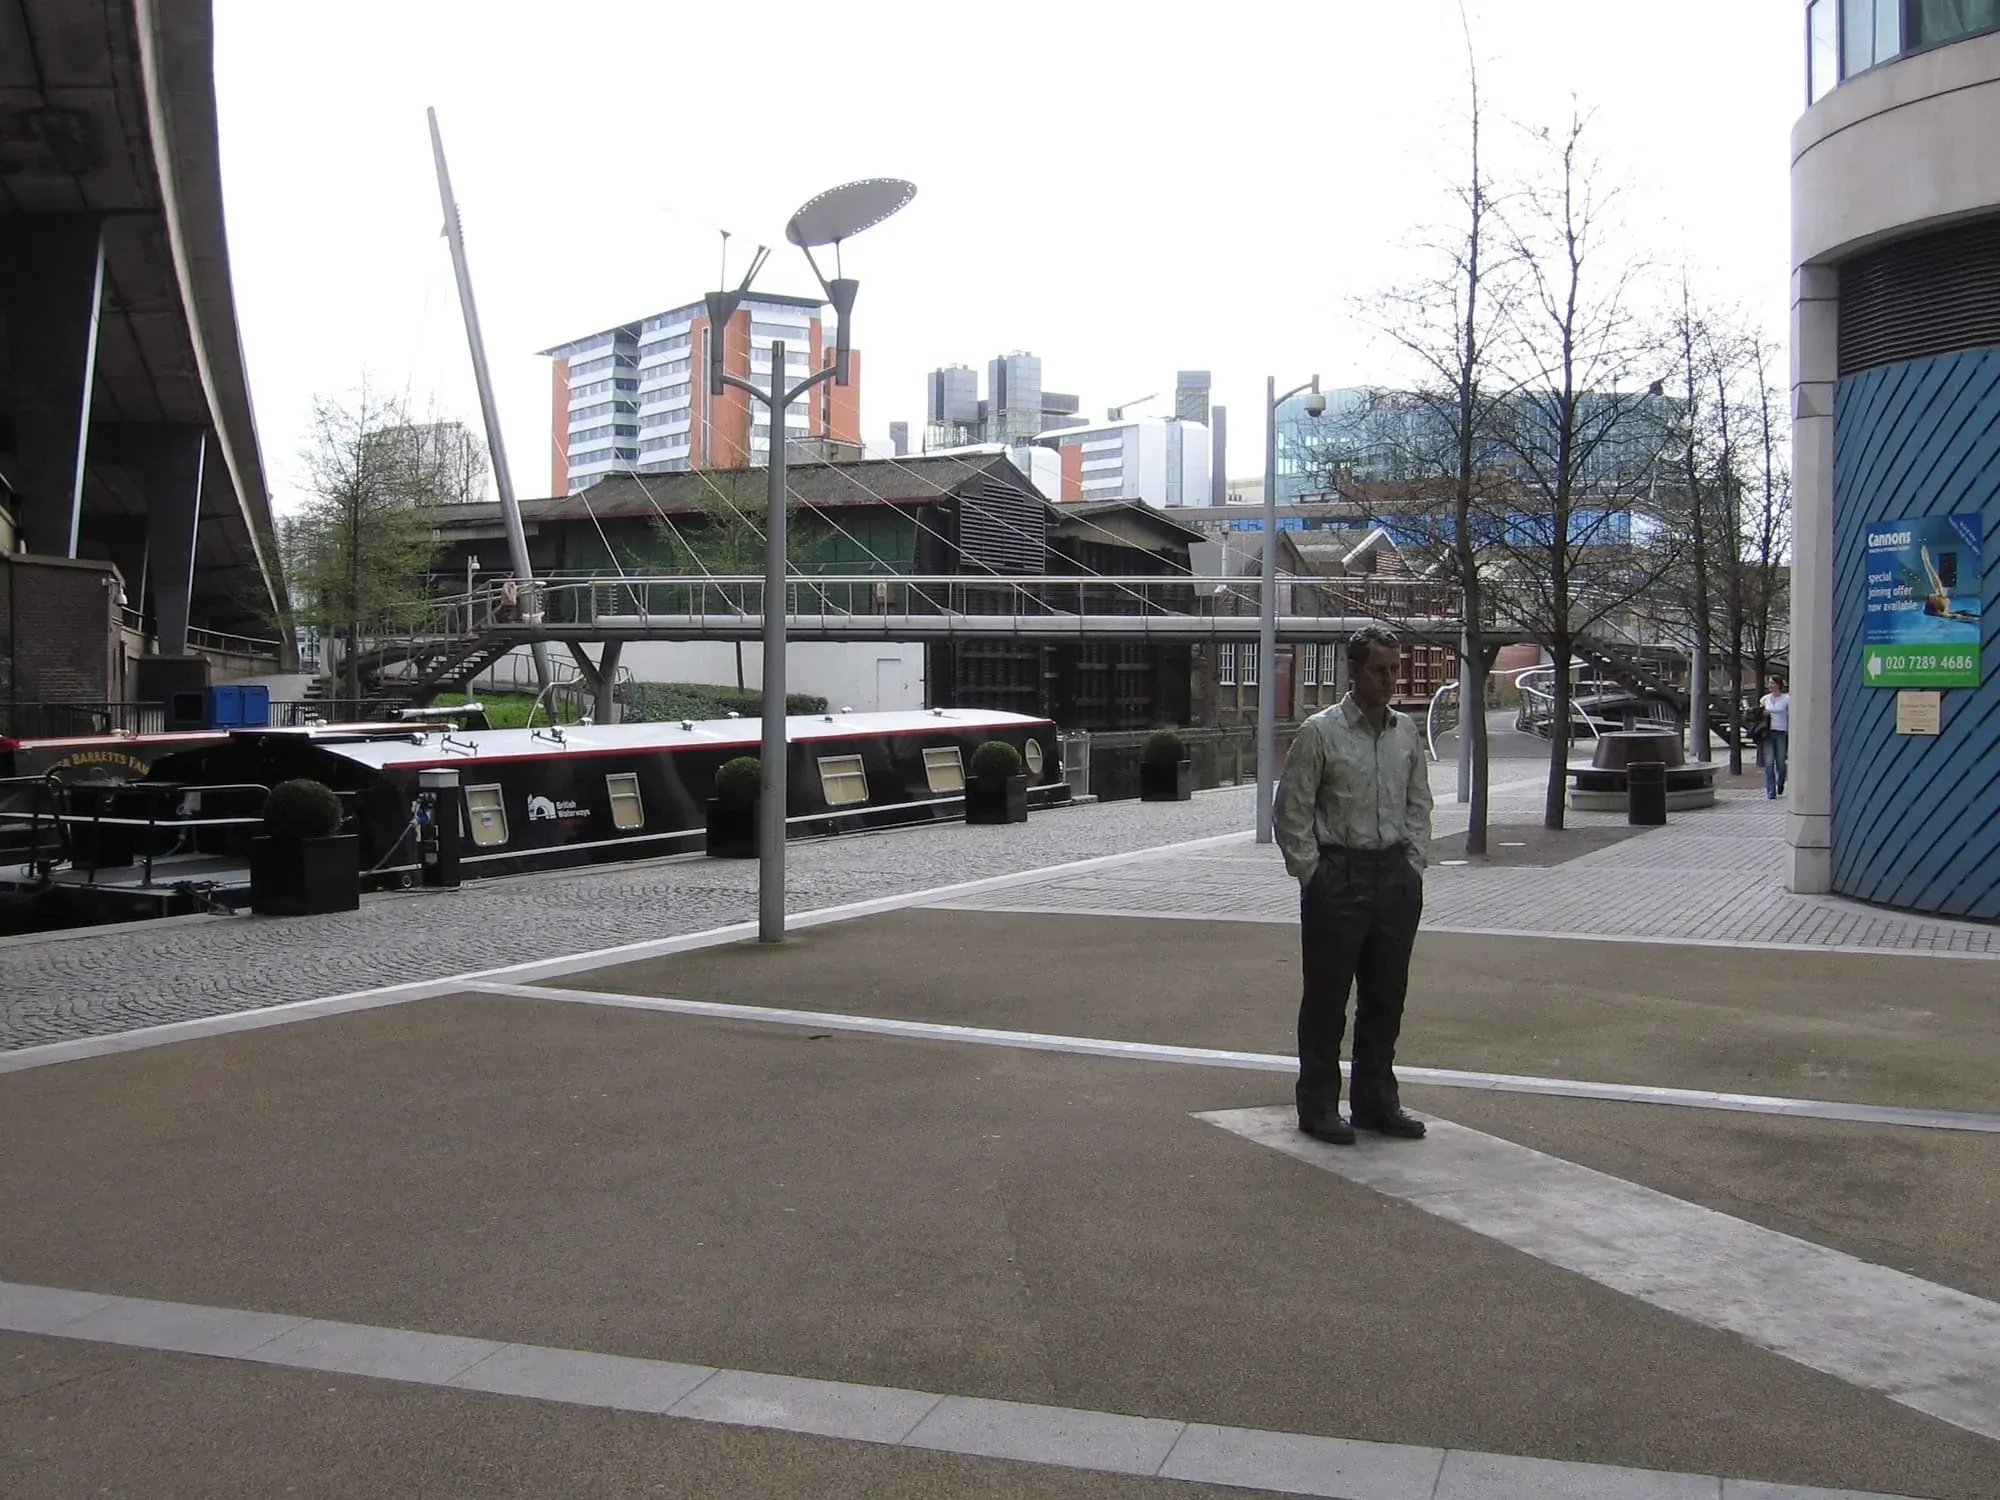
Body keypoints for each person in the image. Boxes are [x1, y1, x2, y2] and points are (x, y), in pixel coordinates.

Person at [1273, 626, 1434, 1145]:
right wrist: (1314, 875)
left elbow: (1419, 802)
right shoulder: (1319, 733)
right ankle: (1319, 1104)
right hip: (1338, 874)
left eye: (1395, 669)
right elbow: (1291, 811)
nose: (1390, 679)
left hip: (1394, 875)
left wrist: (1412, 862)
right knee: (1327, 999)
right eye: (1380, 670)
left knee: (1386, 996)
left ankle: (1376, 1100)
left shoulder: (1406, 732)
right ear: (1355, 671)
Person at [1758, 674, 1790, 799]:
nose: (1770, 685)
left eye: (1772, 683)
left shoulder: (1786, 699)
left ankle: (1780, 782)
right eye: (1769, 683)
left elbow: (1791, 715)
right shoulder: (1765, 699)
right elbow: (1758, 714)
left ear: (1778, 685)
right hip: (1768, 732)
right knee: (1769, 762)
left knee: (1781, 762)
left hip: (1781, 732)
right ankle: (1771, 791)